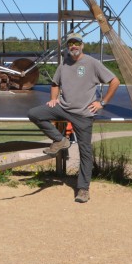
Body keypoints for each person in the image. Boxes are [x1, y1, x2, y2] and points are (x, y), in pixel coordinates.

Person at [28, 33, 120, 203]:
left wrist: (103, 102)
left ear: (82, 45)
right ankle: (60, 140)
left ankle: (83, 189)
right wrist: (53, 99)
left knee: (85, 153)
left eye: (76, 43)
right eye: (70, 43)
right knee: (35, 114)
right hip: (63, 108)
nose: (73, 46)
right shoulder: (64, 64)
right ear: (67, 46)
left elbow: (115, 81)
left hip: (84, 114)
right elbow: (55, 84)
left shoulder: (92, 63)